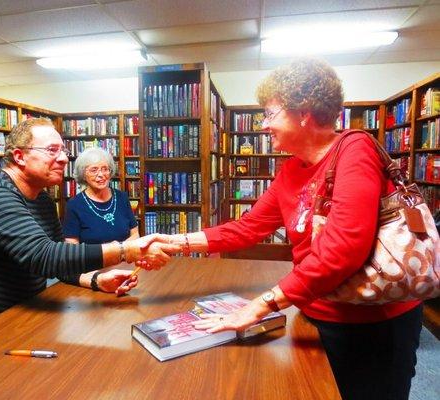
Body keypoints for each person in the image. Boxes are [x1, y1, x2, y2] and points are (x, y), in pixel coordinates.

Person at [143, 59, 423, 400]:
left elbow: (343, 249)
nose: (264, 125)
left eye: (270, 114)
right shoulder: (292, 170)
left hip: (372, 323)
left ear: (303, 113)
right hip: (315, 313)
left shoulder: (354, 149)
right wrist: (174, 241)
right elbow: (247, 228)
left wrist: (260, 305)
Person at [0, 118, 178, 330]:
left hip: (27, 311)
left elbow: (60, 262)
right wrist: (126, 250)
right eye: (52, 150)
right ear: (20, 156)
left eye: (62, 150)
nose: (64, 158)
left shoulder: (40, 197)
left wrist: (95, 280)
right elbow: (44, 256)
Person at [63, 147, 139, 245]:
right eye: (94, 170)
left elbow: (135, 234)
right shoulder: (74, 205)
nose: (101, 174)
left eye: (105, 169)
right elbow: (72, 246)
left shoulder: (122, 197)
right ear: (83, 174)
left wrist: (120, 251)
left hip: (126, 259)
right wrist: (111, 253)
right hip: (92, 260)